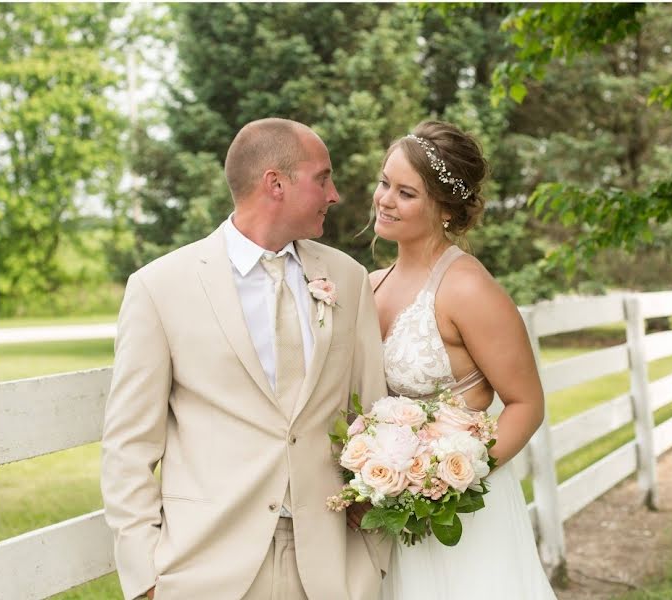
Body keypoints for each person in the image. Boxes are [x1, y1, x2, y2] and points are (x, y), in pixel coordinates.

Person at [101, 118, 390, 600]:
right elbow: (128, 445)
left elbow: (371, 412)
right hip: (206, 566)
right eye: (323, 178)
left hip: (331, 567)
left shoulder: (348, 277)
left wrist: (373, 555)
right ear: (275, 183)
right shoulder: (160, 287)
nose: (334, 193)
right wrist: (145, 578)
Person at [367, 121, 557, 599]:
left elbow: (526, 404)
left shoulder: (467, 288)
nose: (385, 199)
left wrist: (444, 482)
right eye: (384, 182)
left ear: (446, 209)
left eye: (406, 193)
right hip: (388, 514)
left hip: (460, 516)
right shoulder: (369, 285)